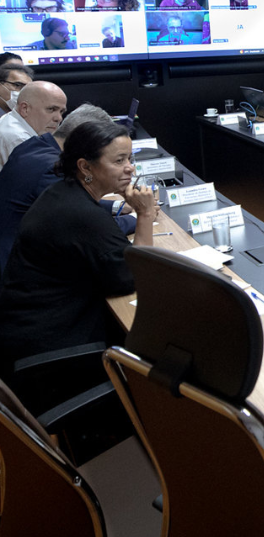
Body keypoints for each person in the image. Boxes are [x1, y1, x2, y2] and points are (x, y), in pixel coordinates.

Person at [0, 121, 157, 388]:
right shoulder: (82, 215)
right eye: (119, 160)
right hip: (53, 355)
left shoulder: (63, 193)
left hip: (27, 333)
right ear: (86, 167)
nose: (130, 168)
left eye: (129, 158)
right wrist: (145, 215)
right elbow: (137, 276)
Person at [0, 104, 136, 276]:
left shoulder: (35, 145)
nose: (130, 168)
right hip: (18, 270)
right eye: (118, 159)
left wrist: (116, 207)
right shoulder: (52, 169)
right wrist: (137, 218)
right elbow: (87, 227)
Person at [0, 80, 66, 167]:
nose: (59, 118)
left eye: (61, 111)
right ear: (25, 109)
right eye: (51, 109)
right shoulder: (19, 139)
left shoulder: (12, 119)